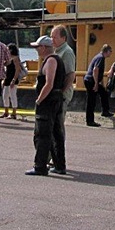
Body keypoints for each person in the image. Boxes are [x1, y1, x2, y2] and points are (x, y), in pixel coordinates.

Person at [25, 35, 66, 176]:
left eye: (37, 47)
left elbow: (49, 83)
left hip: (48, 102)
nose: (36, 50)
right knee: (56, 133)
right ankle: (59, 165)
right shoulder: (58, 59)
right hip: (57, 99)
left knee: (42, 134)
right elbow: (69, 77)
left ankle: (40, 166)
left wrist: (39, 99)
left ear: (43, 47)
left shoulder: (50, 61)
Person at [50, 25, 76, 139]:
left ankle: (59, 146)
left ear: (63, 38)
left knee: (58, 123)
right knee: (53, 122)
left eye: (55, 37)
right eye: (51, 37)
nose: (52, 40)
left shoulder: (67, 52)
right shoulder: (56, 51)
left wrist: (61, 92)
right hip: (56, 92)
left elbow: (70, 75)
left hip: (62, 94)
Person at [83, 44, 113, 126]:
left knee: (103, 93)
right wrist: (96, 83)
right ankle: (90, 121)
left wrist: (100, 83)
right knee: (91, 100)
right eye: (110, 51)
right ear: (107, 51)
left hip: (92, 80)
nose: (111, 53)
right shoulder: (100, 58)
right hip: (91, 81)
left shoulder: (99, 57)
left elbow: (99, 72)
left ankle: (105, 111)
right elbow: (95, 70)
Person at [0, 43, 22, 120]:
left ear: (11, 50)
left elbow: (18, 70)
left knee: (13, 95)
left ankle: (14, 113)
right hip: (7, 78)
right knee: (5, 95)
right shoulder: (8, 58)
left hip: (13, 79)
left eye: (8, 49)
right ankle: (6, 112)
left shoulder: (15, 58)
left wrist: (14, 80)